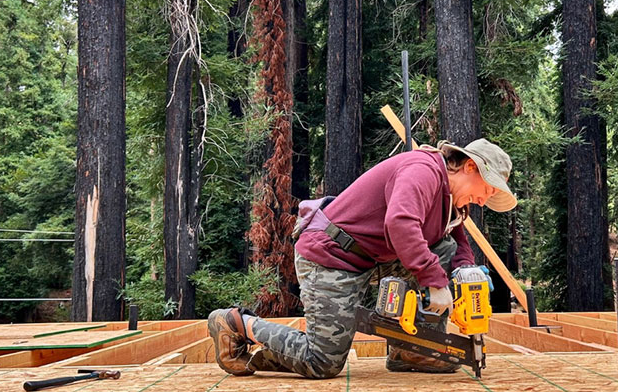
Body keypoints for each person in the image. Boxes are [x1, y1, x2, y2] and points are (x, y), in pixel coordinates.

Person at [207, 138, 517, 378]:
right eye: (488, 190)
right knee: (323, 363)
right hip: (331, 255)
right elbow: (400, 223)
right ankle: (236, 323)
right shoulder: (422, 171)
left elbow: (455, 242)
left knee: (445, 251)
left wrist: (465, 272)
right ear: (470, 167)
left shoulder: (452, 201)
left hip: (370, 256)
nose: (485, 200)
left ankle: (413, 348)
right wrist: (434, 281)